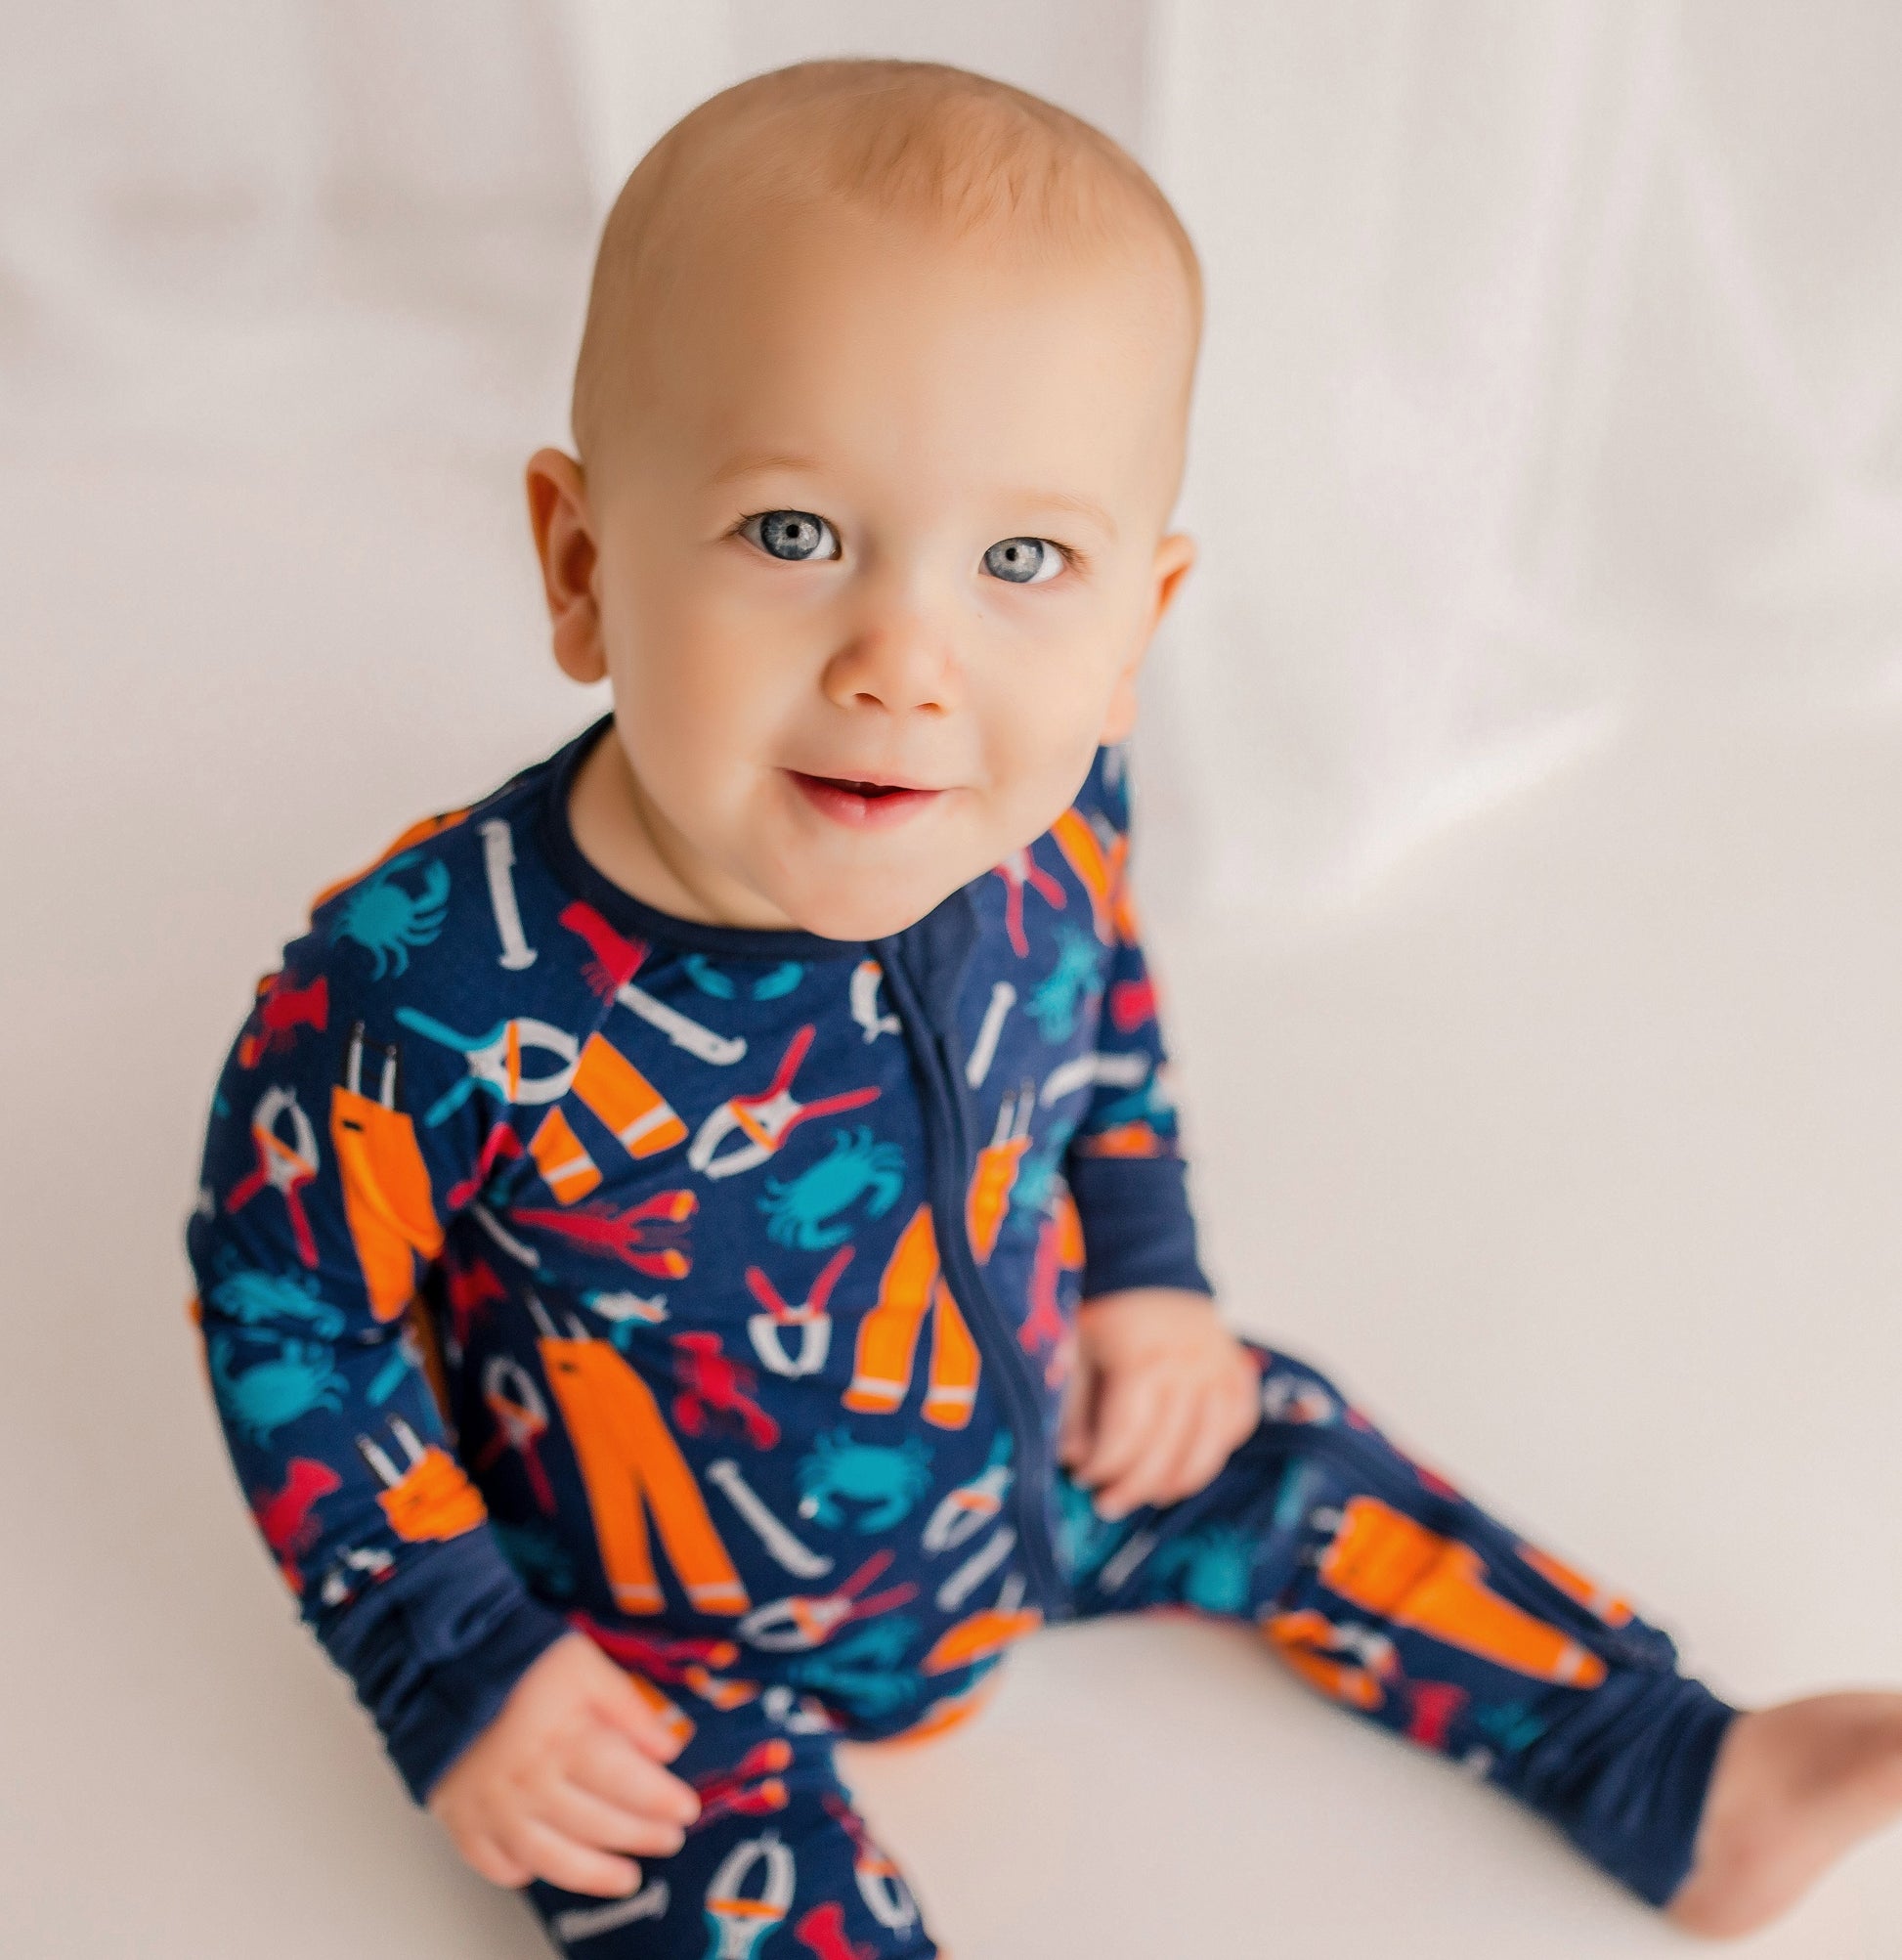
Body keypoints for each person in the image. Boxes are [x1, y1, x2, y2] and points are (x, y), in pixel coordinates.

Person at [183, 58, 1902, 1955]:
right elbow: (290, 1308)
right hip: (643, 1631)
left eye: (1020, 563)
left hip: (1044, 1453)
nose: (904, 663)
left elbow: (1100, 1026)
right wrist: (468, 1667)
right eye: (790, 534)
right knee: (698, 1888)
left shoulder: (1047, 800)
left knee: (1285, 1442)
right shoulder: (420, 984)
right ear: (584, 566)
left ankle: (1672, 1772)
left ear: (1133, 626)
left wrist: (1150, 1273)